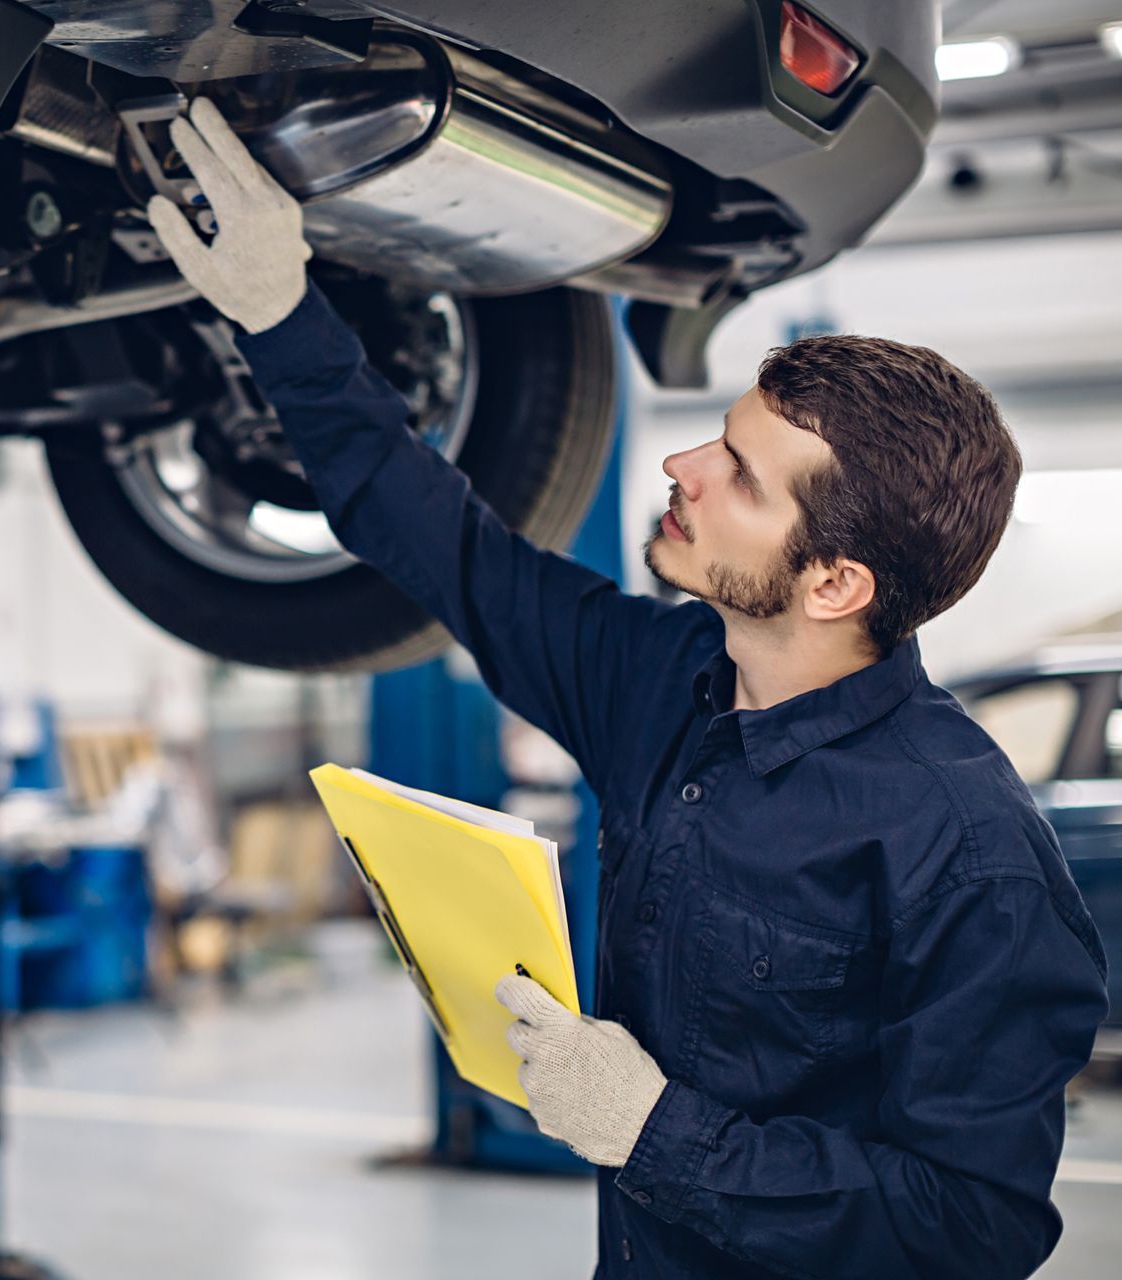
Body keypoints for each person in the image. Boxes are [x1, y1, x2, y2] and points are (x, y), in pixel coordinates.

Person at [147, 97, 1109, 1278]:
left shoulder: (969, 855)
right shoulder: (665, 678)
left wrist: (660, 1135)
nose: (680, 465)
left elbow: (974, 1226)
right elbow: (448, 545)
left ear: (833, 581)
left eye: (739, 476)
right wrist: (281, 314)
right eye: (717, 434)